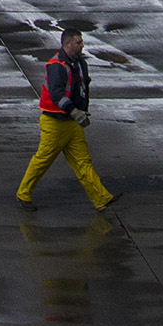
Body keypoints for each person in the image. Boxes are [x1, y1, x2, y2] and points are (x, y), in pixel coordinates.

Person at [17, 29, 115, 209]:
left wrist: (81, 111)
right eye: (78, 42)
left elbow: (82, 88)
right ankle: (23, 193)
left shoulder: (80, 64)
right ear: (67, 44)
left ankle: (101, 199)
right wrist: (74, 111)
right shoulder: (57, 66)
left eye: (81, 41)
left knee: (83, 162)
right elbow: (56, 94)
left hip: (72, 122)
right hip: (55, 123)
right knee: (43, 160)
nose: (82, 45)